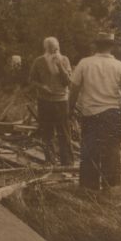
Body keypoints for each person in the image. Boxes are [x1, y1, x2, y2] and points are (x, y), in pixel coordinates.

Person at [69, 32, 121, 191]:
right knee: (112, 152)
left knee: (89, 153)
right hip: (112, 115)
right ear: (111, 47)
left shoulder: (84, 63)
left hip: (90, 115)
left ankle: (89, 189)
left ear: (95, 46)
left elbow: (74, 90)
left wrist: (69, 111)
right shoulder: (119, 66)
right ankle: (111, 189)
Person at [28, 37, 74, 167]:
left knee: (64, 132)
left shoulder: (64, 60)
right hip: (45, 101)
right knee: (47, 132)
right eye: (51, 48)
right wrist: (43, 87)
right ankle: (50, 161)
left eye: (56, 47)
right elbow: (31, 80)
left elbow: (68, 82)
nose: (55, 50)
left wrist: (60, 65)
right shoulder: (39, 61)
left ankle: (67, 162)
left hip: (61, 100)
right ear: (46, 48)